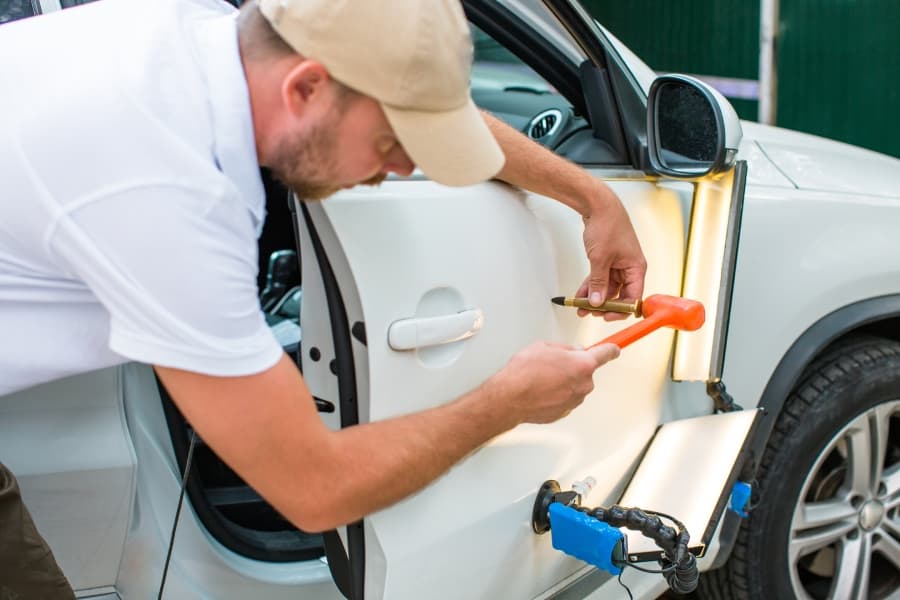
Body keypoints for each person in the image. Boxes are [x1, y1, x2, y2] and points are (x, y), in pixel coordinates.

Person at [0, 0, 647, 596]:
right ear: (304, 87)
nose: (400, 170)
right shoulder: (168, 195)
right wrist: (509, 402)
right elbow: (315, 489)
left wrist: (592, 196)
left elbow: (404, 96)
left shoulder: (208, 32)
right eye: (393, 145)